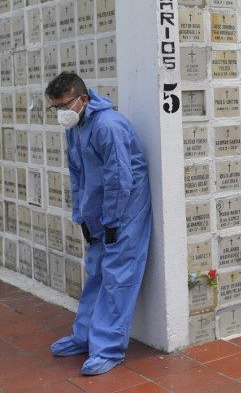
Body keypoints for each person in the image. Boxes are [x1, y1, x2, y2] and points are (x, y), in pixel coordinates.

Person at [45, 72, 152, 376]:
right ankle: (84, 337)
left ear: (82, 99)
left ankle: (108, 349)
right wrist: (82, 216)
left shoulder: (108, 126)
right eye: (55, 108)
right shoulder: (76, 128)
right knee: (96, 272)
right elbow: (78, 176)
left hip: (125, 213)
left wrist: (113, 221)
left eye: (64, 105)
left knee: (118, 277)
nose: (61, 113)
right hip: (98, 214)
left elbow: (120, 178)